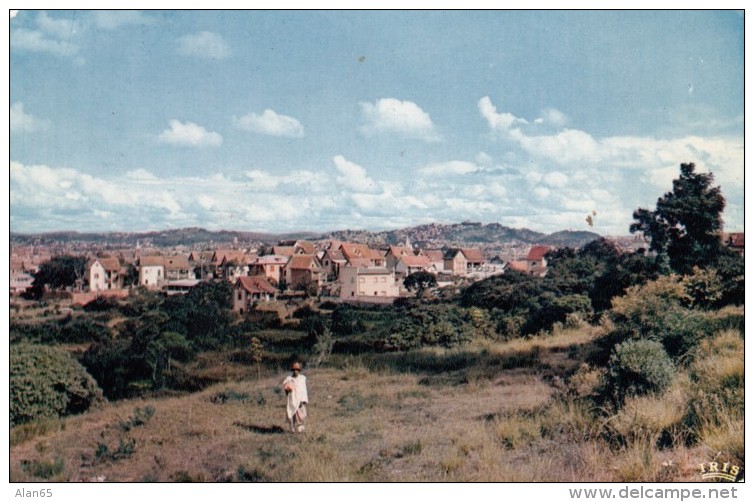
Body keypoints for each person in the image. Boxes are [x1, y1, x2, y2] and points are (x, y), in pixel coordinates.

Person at [282, 362, 308, 433]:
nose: (295, 371)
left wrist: (303, 400)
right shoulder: (289, 378)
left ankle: (300, 429)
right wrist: (287, 388)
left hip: (300, 399)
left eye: (297, 369)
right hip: (292, 399)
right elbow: (285, 387)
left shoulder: (302, 379)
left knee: (301, 414)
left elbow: (304, 389)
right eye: (294, 369)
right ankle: (292, 429)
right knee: (292, 414)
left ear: (299, 370)